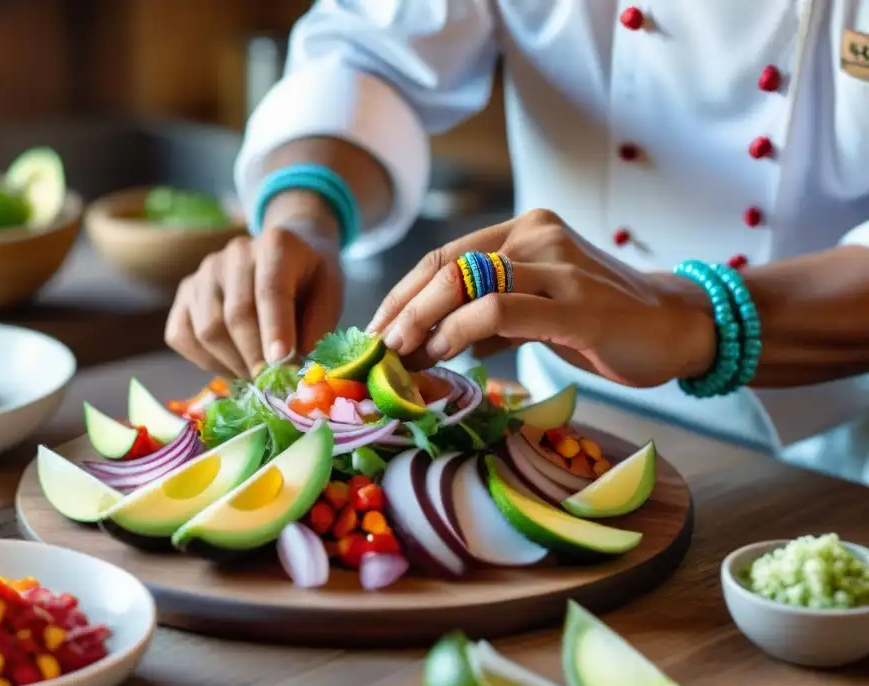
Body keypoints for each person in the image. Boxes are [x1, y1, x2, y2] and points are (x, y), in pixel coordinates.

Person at [165, 1, 869, 485]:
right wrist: (304, 217)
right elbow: (373, 51)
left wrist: (693, 316)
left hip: (836, 456)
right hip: (559, 425)